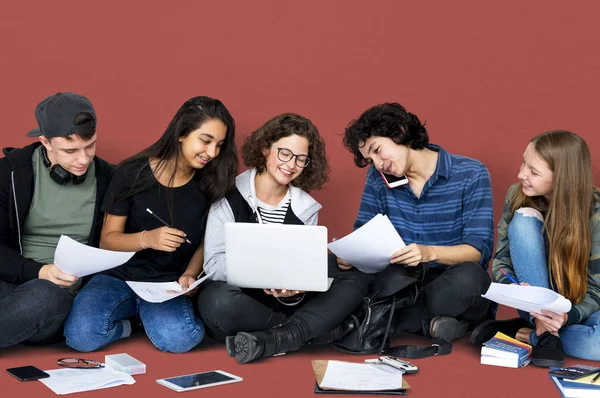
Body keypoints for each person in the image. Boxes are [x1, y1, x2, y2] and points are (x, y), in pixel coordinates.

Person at [63, 96, 238, 353]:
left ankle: (146, 317)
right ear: (181, 134)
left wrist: (190, 274)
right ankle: (130, 326)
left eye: (219, 145)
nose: (211, 153)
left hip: (166, 285)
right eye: (205, 140)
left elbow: (205, 242)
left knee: (182, 339)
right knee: (81, 337)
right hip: (118, 277)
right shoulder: (132, 172)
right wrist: (148, 239)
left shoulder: (211, 184)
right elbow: (108, 239)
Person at [197, 113, 372, 364]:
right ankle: (313, 331)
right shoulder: (228, 196)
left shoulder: (306, 208)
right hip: (243, 300)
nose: (291, 165)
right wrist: (262, 272)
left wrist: (296, 288)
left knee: (355, 278)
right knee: (216, 301)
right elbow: (212, 265)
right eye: (285, 153)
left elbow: (302, 271)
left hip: (286, 302)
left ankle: (280, 337)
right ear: (265, 148)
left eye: (301, 159)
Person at [341, 102, 495, 342]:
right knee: (333, 265)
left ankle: (373, 323)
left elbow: (478, 251)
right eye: (370, 160)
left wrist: (428, 253)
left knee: (471, 278)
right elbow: (364, 234)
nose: (378, 164)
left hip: (450, 282)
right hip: (399, 282)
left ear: (399, 131)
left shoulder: (471, 173)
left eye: (377, 150)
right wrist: (351, 254)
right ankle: (434, 325)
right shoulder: (378, 178)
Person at [470, 130, 600, 366]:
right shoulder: (516, 195)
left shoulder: (596, 214)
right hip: (535, 302)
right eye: (524, 163)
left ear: (562, 178)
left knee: (596, 344)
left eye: (534, 171)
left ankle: (530, 334)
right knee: (524, 219)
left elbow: (597, 288)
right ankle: (541, 327)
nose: (521, 174)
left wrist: (565, 316)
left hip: (580, 307)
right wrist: (519, 292)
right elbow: (502, 262)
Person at [0, 92, 112, 349]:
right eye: (70, 150)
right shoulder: (10, 174)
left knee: (44, 295)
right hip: (11, 280)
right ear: (45, 142)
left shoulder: (109, 179)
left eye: (90, 146)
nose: (83, 159)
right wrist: (38, 270)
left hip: (53, 297)